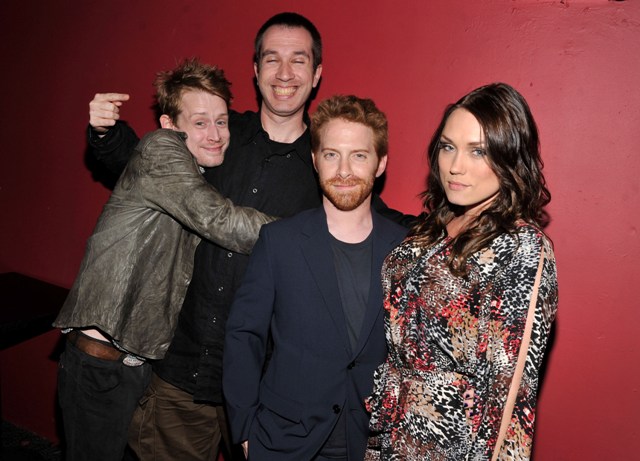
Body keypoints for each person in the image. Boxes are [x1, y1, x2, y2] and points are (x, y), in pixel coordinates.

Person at [87, 13, 412, 461]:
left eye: (299, 60)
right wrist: (107, 134)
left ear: (317, 73)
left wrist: (465, 221)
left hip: (265, 390)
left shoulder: (328, 166)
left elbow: (384, 220)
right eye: (272, 59)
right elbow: (148, 165)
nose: (284, 73)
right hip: (180, 371)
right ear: (256, 70)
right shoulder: (218, 135)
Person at [53, 58, 274, 461]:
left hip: (129, 364)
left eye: (221, 122)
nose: (215, 134)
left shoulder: (190, 169)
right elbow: (221, 220)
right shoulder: (162, 150)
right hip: (100, 364)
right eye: (200, 122)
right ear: (170, 125)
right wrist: (308, 234)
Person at [365, 83, 558, 460]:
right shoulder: (431, 230)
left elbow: (510, 398)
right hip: (393, 439)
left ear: (508, 158)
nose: (455, 166)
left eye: (478, 151)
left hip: (454, 450)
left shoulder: (521, 247)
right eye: (448, 146)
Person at [223, 94, 408, 461]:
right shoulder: (279, 241)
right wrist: (244, 429)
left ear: (381, 163)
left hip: (373, 442)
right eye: (331, 154)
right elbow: (244, 335)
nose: (344, 170)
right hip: (284, 441)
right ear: (314, 159)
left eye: (359, 155)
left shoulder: (405, 248)